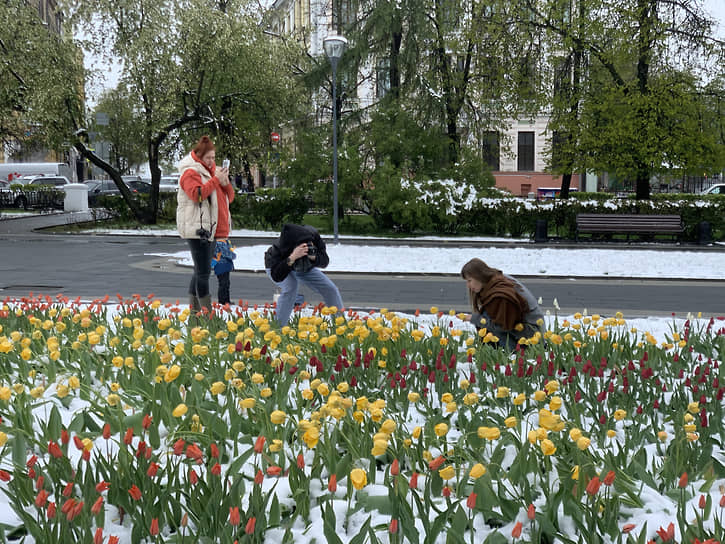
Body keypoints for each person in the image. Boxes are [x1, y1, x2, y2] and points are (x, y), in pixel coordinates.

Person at [176, 135, 234, 313]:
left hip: (211, 228)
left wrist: (225, 183)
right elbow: (197, 194)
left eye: (214, 158)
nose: (212, 161)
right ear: (199, 157)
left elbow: (229, 197)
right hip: (197, 229)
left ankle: (195, 316)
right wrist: (216, 180)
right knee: (203, 273)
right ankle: (206, 315)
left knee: (199, 271)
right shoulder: (190, 172)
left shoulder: (212, 172)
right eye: (208, 158)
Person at [264, 224, 343, 325]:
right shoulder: (281, 246)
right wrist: (292, 257)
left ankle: (340, 326)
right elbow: (277, 276)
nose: (306, 246)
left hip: (303, 267)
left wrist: (314, 258)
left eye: (308, 243)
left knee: (330, 288)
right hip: (279, 266)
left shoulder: (314, 236)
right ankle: (278, 328)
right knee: (291, 287)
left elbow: (325, 261)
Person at [460, 258, 544, 349]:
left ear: (479, 277)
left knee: (485, 320)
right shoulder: (496, 280)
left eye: (469, 280)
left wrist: (474, 319)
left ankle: (511, 352)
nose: (468, 285)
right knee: (485, 317)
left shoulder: (499, 295)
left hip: (532, 335)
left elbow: (502, 326)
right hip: (530, 331)